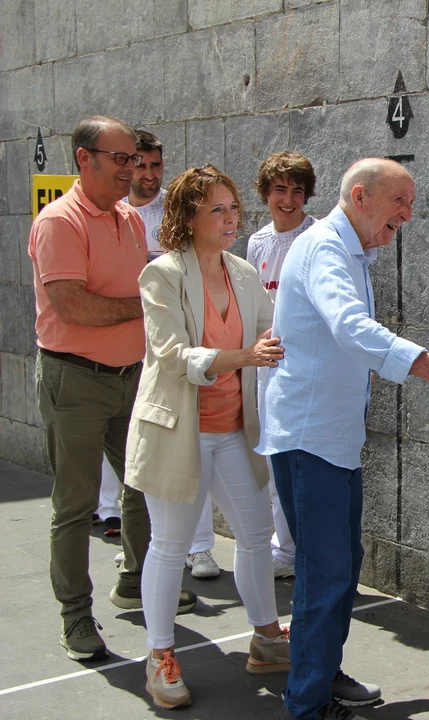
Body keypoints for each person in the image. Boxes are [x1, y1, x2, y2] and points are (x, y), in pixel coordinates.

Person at [257, 158, 429, 720]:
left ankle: (320, 671)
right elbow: (351, 327)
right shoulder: (324, 249)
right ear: (361, 197)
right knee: (325, 570)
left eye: (410, 204)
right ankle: (308, 702)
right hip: (311, 440)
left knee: (342, 563)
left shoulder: (349, 252)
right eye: (400, 202)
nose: (408, 215)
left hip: (332, 440)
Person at [28, 116, 196, 664]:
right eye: (121, 159)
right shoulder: (59, 222)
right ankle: (76, 616)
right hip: (74, 381)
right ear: (86, 158)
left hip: (133, 378)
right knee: (75, 507)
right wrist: (148, 306)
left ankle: (135, 582)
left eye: (136, 159)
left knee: (144, 486)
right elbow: (73, 306)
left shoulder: (128, 218)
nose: (132, 169)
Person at [126, 165, 291, 709]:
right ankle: (159, 657)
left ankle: (266, 638)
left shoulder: (242, 272)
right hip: (179, 431)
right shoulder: (161, 275)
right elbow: (173, 355)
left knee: (256, 534)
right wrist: (244, 356)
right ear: (188, 217)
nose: (230, 218)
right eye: (216, 209)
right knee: (170, 545)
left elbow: (274, 330)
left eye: (233, 207)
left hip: (233, 430)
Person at [100, 129, 223, 579]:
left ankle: (200, 547)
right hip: (130, 349)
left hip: (179, 348)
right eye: (140, 165)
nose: (149, 175)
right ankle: (144, 543)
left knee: (194, 441)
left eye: (155, 165)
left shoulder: (177, 209)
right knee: (143, 451)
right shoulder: (115, 215)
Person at [246, 150, 319, 580]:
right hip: (266, 366)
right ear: (265, 193)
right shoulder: (257, 242)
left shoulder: (318, 237)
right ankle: (286, 548)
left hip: (307, 366)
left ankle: (308, 553)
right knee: (274, 456)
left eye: (297, 191)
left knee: (306, 458)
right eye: (279, 190)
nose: (288, 200)